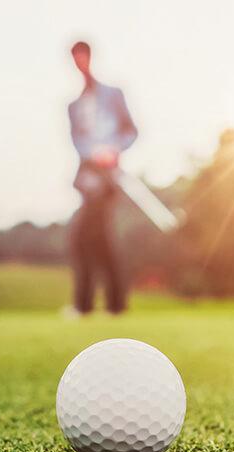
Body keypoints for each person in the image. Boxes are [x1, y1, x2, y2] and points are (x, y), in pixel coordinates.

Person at [67, 41, 137, 315]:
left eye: (82, 57)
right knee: (97, 239)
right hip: (87, 177)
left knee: (84, 237)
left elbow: (131, 130)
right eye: (75, 59)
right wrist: (93, 155)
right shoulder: (73, 106)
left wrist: (114, 150)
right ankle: (114, 305)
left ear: (90, 57)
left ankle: (88, 306)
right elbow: (77, 141)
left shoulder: (113, 94)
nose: (79, 63)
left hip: (109, 178)